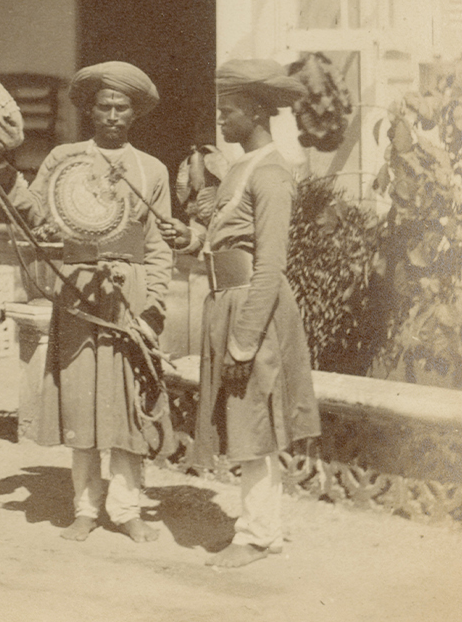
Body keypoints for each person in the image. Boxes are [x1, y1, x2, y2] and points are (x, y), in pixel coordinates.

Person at [0, 62, 173, 543]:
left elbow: (158, 247)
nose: (112, 115)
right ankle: (85, 507)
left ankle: (126, 508)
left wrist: (153, 309)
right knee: (81, 399)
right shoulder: (65, 160)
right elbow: (35, 214)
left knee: (129, 404)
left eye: (121, 107)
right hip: (78, 292)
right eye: (104, 107)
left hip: (129, 296)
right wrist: (1, 169)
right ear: (90, 111)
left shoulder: (152, 170)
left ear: (134, 113)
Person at [158, 59, 320, 568]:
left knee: (255, 423)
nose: (221, 121)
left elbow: (269, 265)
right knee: (244, 421)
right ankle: (259, 528)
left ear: (253, 112)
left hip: (255, 308)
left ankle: (258, 536)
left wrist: (243, 343)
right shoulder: (240, 168)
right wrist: (191, 238)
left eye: (227, 112)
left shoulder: (271, 174)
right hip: (227, 299)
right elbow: (227, 239)